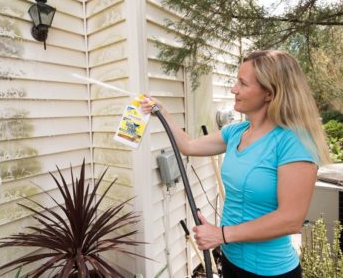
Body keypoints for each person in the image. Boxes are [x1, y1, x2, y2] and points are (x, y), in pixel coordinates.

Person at [140, 50, 330, 278]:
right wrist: (162, 111)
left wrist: (221, 234)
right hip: (231, 263)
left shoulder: (294, 142)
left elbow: (291, 220)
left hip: (269, 271)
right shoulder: (236, 132)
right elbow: (188, 146)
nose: (234, 89)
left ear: (269, 93)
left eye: (243, 83)